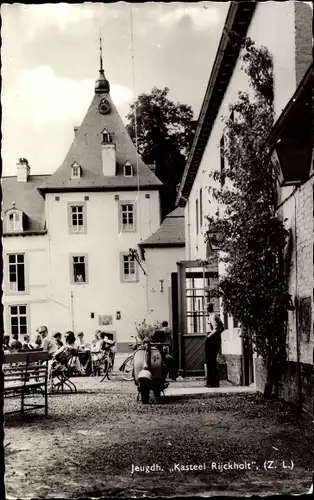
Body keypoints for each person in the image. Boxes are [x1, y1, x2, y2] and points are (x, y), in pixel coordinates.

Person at [205, 303, 224, 388]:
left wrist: (208, 337)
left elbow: (216, 328)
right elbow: (222, 328)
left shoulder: (212, 317)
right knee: (212, 360)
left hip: (212, 339)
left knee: (210, 361)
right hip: (217, 339)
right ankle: (214, 381)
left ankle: (212, 382)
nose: (205, 310)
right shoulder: (216, 316)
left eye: (206, 308)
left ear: (208, 309)